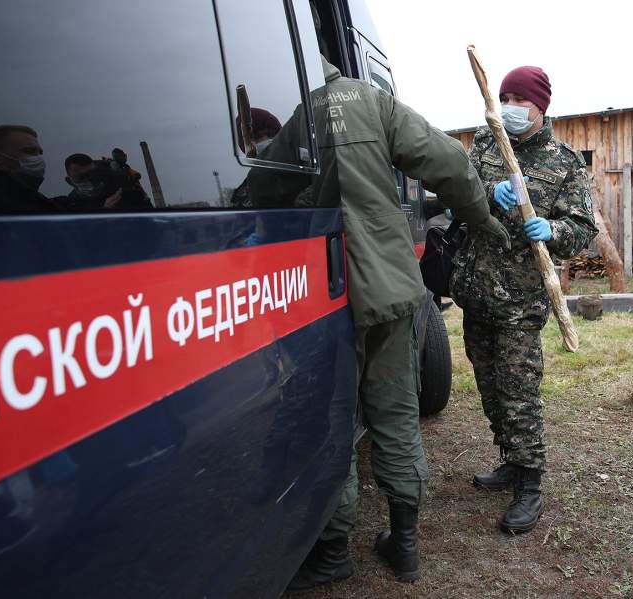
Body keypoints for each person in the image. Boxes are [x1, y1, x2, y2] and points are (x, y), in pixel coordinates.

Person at [252, 57, 510, 592]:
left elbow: (260, 193)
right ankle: (405, 544)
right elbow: (451, 163)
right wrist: (483, 217)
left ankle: (332, 553)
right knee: (395, 413)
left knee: (334, 424)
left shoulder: (303, 118)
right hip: (392, 289)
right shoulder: (373, 101)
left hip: (327, 295)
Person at [451, 66, 597, 535]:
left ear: (541, 108)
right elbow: (457, 193)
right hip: (476, 291)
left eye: (521, 100)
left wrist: (552, 230)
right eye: (505, 97)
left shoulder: (565, 162)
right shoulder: (487, 143)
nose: (510, 107)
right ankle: (510, 461)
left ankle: (529, 484)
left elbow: (581, 231)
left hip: (521, 300)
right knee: (490, 388)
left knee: (519, 392)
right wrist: (480, 191)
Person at [58, 153, 123, 209]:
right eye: (81, 177)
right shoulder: (70, 205)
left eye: (92, 173)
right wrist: (104, 210)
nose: (89, 179)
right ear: (69, 181)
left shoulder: (115, 186)